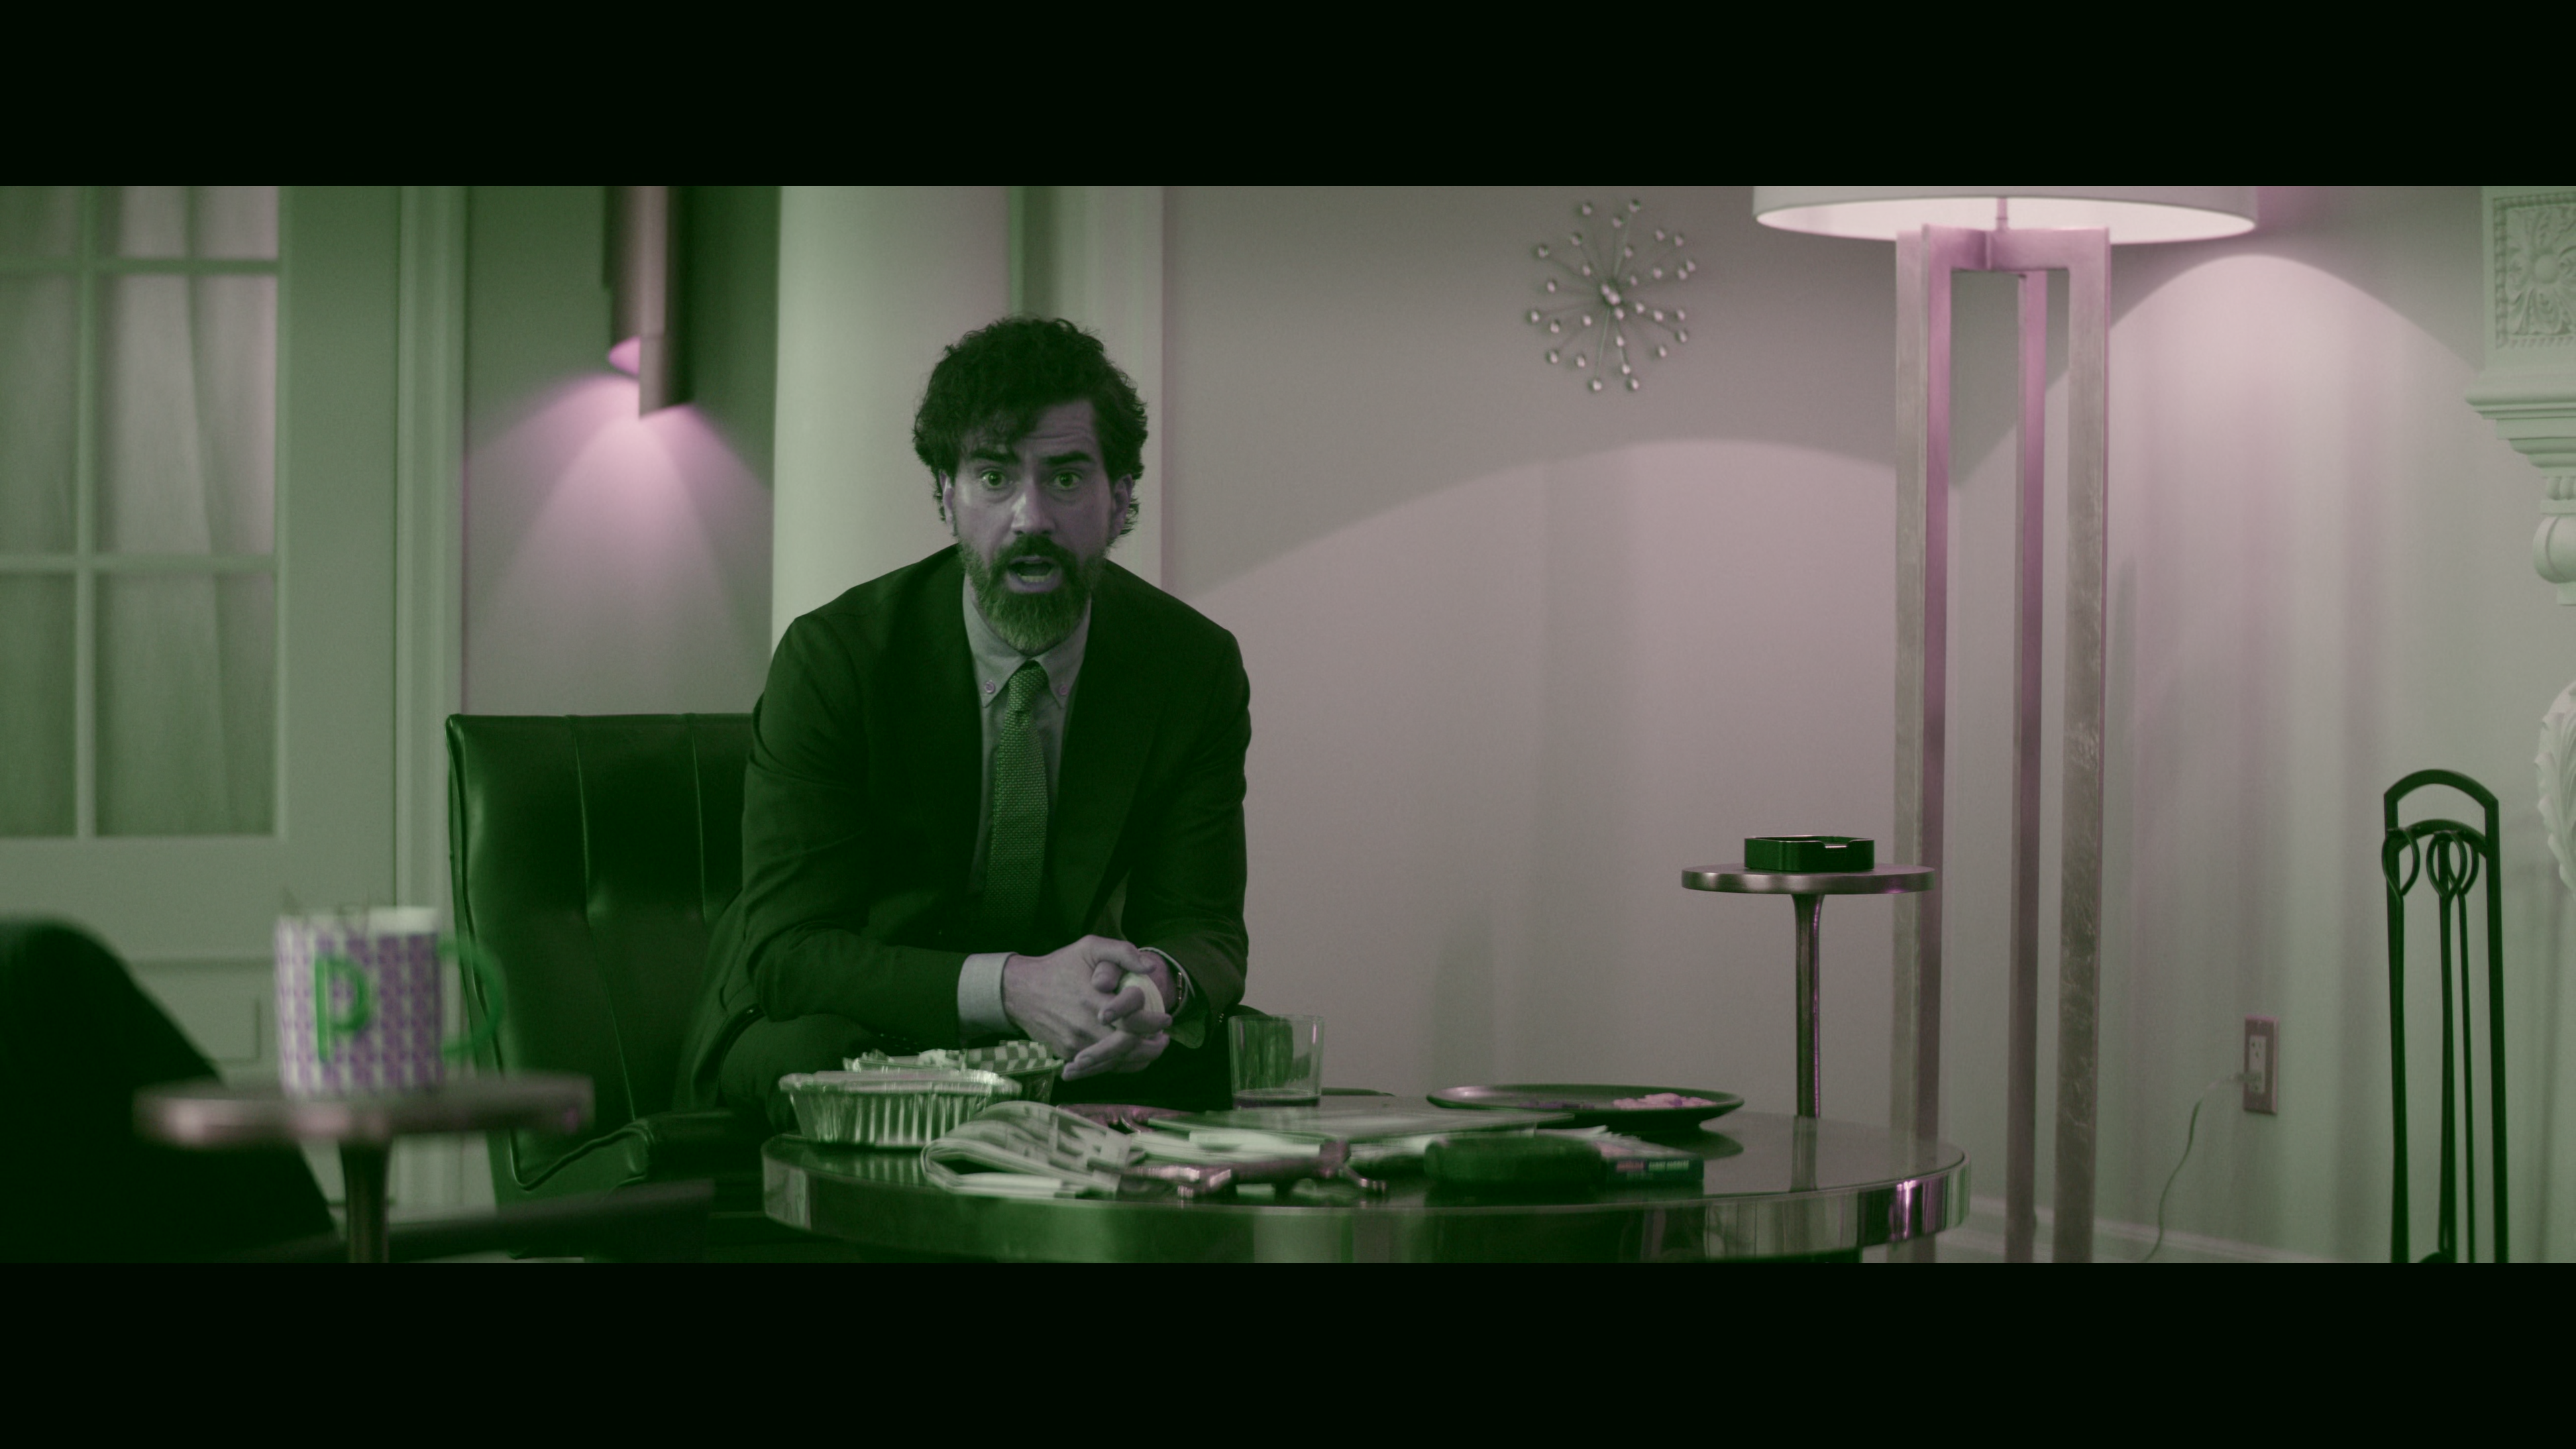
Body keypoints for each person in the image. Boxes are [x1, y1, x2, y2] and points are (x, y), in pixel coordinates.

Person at [676, 317, 1251, 1132]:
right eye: (993, 477)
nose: (1030, 517)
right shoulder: (836, 658)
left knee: (1237, 1051)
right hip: (841, 1020)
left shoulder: (1189, 667)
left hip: (1054, 1034)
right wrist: (1013, 986)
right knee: (836, 1064)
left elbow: (1205, 928)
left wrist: (1151, 986)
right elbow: (791, 954)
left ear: (1121, 499)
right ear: (946, 496)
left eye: (1065, 478)